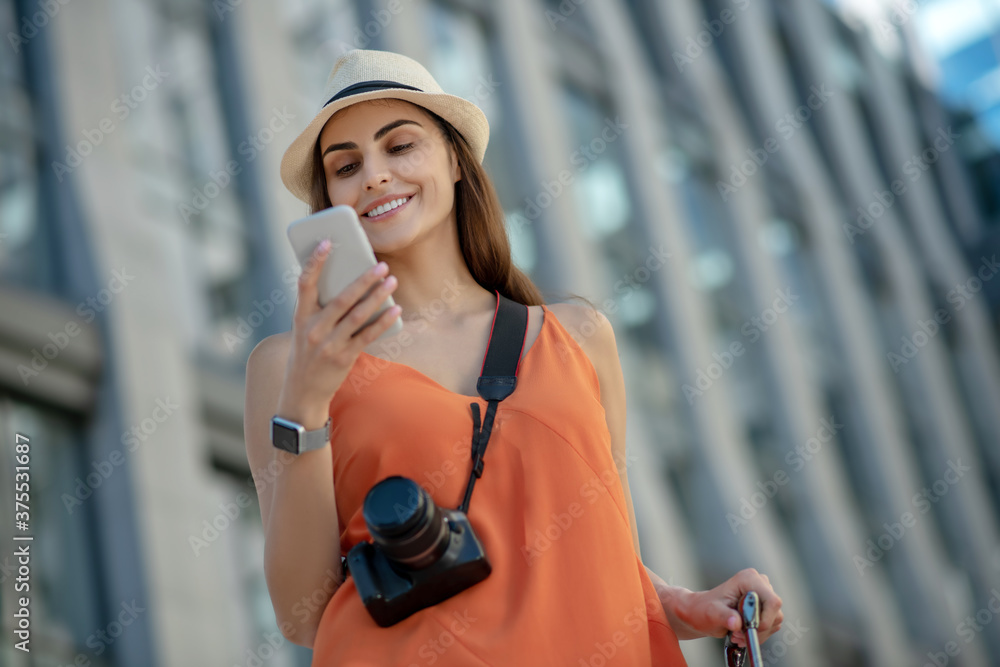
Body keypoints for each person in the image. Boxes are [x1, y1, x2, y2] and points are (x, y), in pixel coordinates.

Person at [244, 48, 783, 666]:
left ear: (455, 160)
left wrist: (680, 603)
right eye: (346, 165)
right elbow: (301, 614)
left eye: (399, 147)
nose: (373, 176)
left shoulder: (579, 337)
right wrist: (307, 401)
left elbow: (594, 543)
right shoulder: (289, 367)